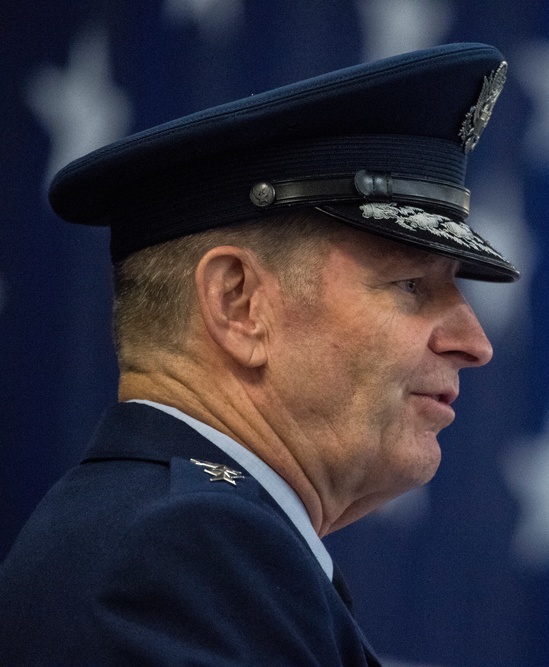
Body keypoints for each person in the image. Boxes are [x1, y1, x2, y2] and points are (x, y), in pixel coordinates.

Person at [0, 43, 517, 666]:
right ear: (240, 304)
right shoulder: (181, 554)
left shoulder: (188, 539)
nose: (475, 343)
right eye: (411, 284)